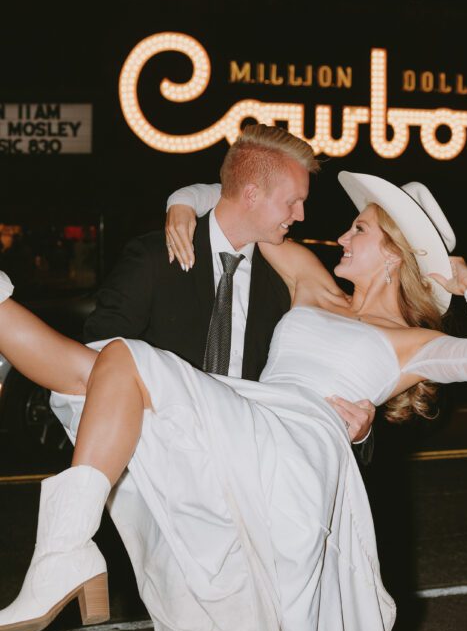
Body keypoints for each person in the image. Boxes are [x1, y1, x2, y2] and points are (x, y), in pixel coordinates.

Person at [0, 169, 467, 631]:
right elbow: (248, 210)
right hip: (249, 415)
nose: (342, 238)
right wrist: (182, 202)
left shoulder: (413, 345)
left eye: (359, 229)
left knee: (127, 357)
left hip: (296, 450)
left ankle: (65, 552)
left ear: (395, 254)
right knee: (95, 368)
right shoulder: (313, 284)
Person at [85, 124, 376, 451]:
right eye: (293, 202)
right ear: (252, 195)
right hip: (155, 454)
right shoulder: (153, 258)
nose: (301, 214)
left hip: (249, 460)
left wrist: (361, 430)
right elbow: (98, 353)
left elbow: (321, 373)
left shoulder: (288, 278)